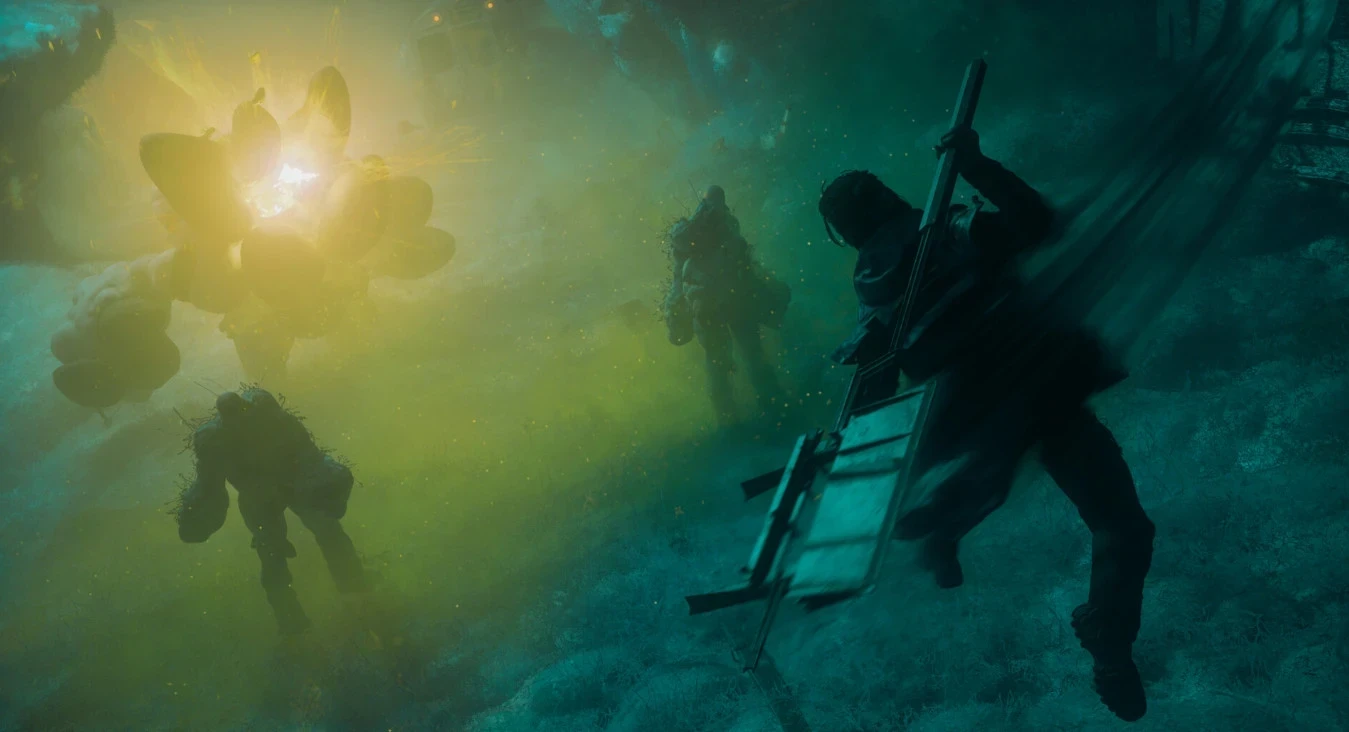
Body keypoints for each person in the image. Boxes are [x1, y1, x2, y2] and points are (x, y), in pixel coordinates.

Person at [817, 128, 1156, 722]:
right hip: (1037, 378)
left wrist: (846, 453)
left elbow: (873, 382)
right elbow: (1036, 223)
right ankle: (1107, 637)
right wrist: (975, 166)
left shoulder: (874, 290)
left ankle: (946, 519)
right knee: (1120, 524)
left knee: (997, 466)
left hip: (976, 405)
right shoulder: (941, 231)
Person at [174, 388, 369, 634]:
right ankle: (305, 616)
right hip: (274, 492)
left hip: (284, 487)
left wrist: (321, 483)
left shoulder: (244, 426)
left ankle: (338, 601)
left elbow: (209, 487)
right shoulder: (224, 435)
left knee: (301, 543)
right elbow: (209, 487)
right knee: (293, 546)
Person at [664, 185, 789, 425]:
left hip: (711, 308)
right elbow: (748, 268)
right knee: (749, 356)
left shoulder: (692, 238)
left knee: (721, 363)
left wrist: (675, 316)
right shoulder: (723, 230)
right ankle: (770, 404)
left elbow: (678, 284)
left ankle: (731, 416)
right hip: (731, 304)